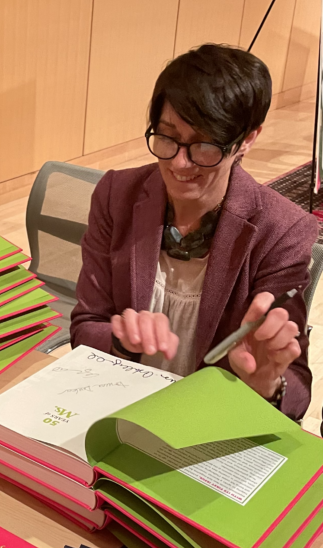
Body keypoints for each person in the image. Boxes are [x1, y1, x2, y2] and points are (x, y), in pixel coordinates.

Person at [70, 44, 318, 421]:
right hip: (122, 411)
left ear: (246, 139)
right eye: (167, 137)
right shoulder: (117, 195)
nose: (180, 162)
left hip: (208, 423)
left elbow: (296, 390)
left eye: (204, 145)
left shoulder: (282, 230)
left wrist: (268, 385)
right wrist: (121, 340)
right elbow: (86, 327)